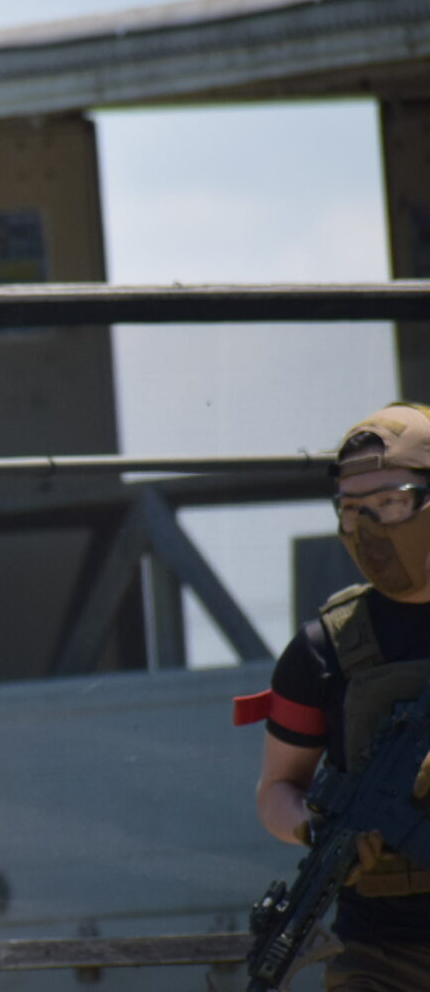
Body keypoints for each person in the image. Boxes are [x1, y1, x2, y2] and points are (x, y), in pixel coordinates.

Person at [246, 401, 430, 989]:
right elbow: (277, 789)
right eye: (352, 509)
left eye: (391, 502)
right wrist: (311, 829)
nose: (369, 524)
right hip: (381, 951)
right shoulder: (324, 647)